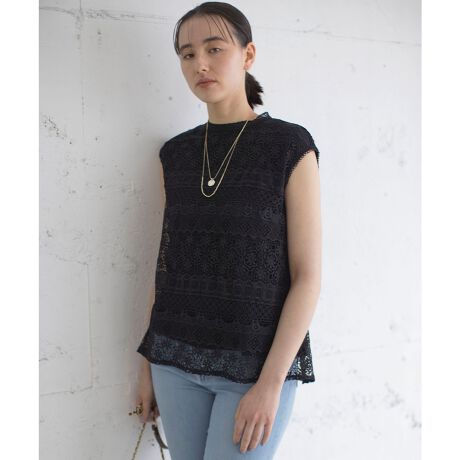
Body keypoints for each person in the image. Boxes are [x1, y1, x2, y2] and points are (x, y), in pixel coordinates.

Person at [134, 2, 322, 459]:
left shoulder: (289, 145)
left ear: (247, 54)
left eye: (214, 49)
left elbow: (308, 277)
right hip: (173, 361)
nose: (200, 63)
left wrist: (270, 385)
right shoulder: (175, 154)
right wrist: (147, 365)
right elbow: (167, 267)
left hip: (254, 368)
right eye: (187, 54)